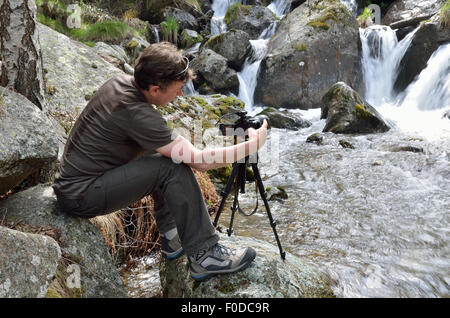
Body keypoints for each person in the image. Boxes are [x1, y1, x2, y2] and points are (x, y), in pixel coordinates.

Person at [52, 42, 268, 281]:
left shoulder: (120, 83)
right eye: (177, 89)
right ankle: (205, 255)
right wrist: (251, 146)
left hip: (78, 184)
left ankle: (173, 237)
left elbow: (172, 145)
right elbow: (199, 162)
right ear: (154, 89)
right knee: (170, 166)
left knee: (166, 157)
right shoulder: (136, 111)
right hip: (81, 194)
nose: (181, 94)